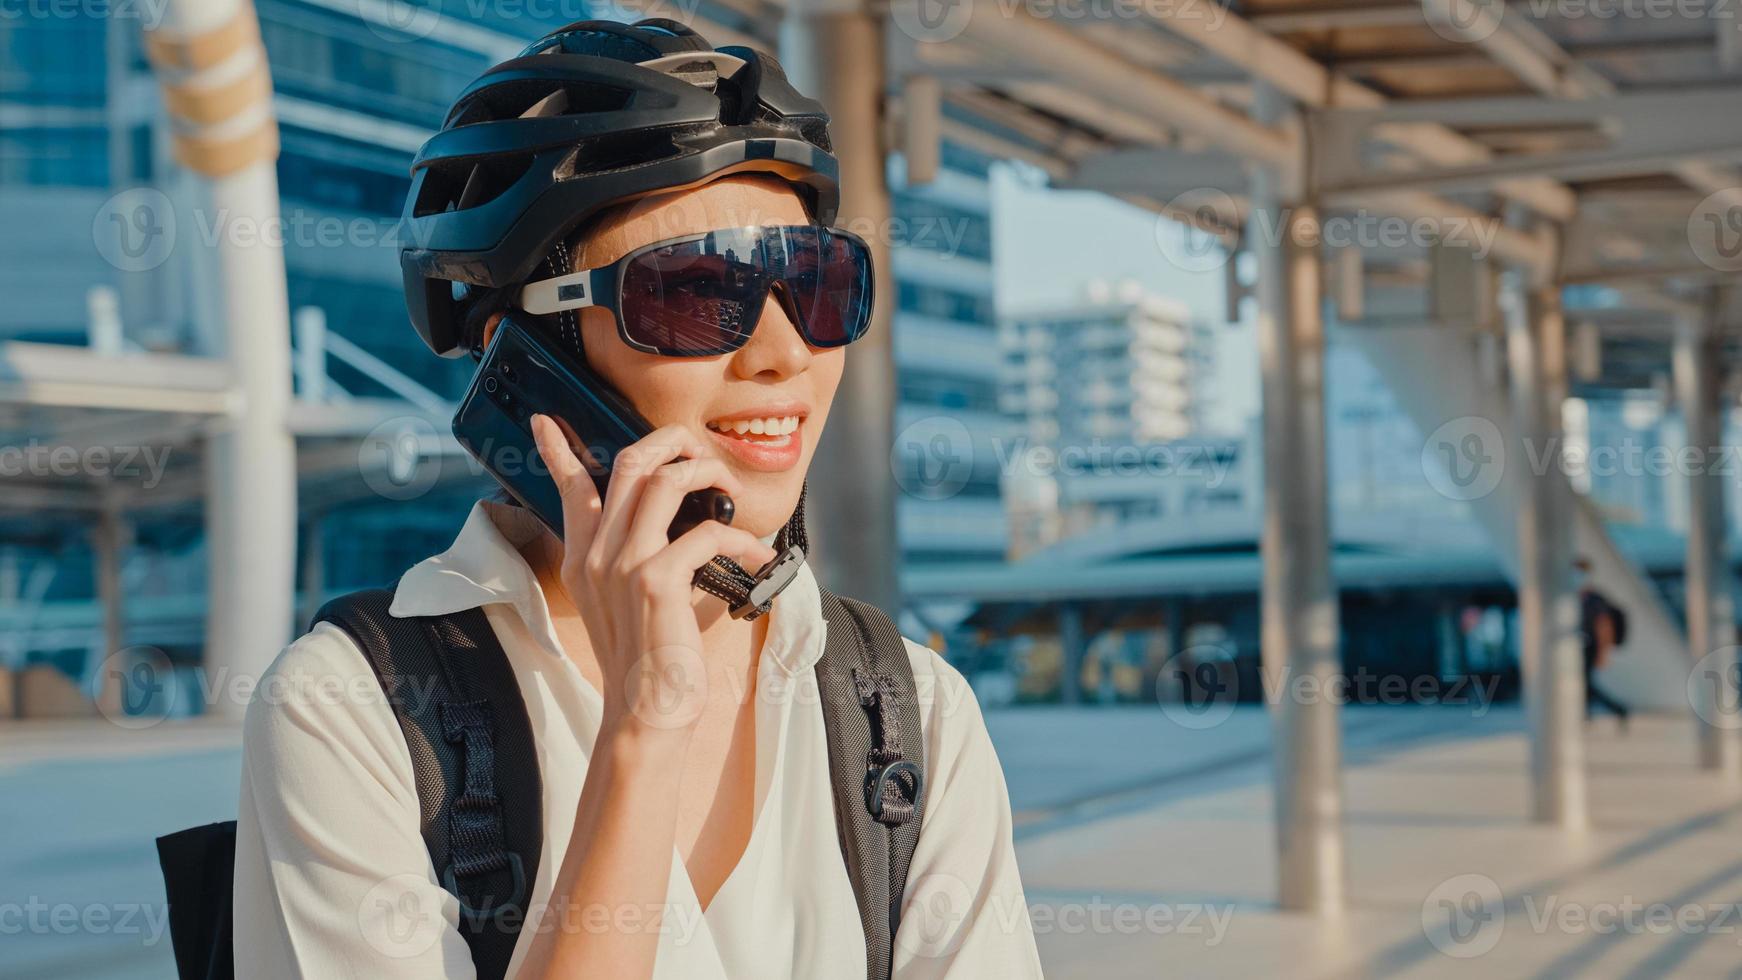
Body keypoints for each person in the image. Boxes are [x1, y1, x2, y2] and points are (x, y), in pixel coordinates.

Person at [231, 20, 1042, 979]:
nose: (785, 355)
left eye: (818, 284)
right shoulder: (353, 711)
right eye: (697, 293)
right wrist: (644, 727)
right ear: (523, 358)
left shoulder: (906, 709)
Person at [1574, 557, 1630, 730]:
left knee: (1585, 683)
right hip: (1579, 647)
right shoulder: (1576, 598)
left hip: (1590, 647)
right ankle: (1586, 715)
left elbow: (1603, 627)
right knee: (1582, 683)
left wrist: (1602, 653)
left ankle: (1617, 709)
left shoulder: (1595, 599)